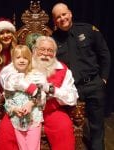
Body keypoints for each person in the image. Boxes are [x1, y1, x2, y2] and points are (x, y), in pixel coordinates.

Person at [0, 35, 78, 150]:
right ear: (34, 50)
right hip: (21, 108)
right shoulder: (24, 61)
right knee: (6, 130)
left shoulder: (63, 70)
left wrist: (51, 89)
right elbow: (3, 77)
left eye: (50, 50)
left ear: (55, 53)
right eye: (42, 49)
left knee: (64, 127)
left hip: (51, 110)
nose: (45, 53)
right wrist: (26, 86)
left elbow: (72, 97)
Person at [51, 3, 111, 150]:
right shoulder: (53, 40)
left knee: (96, 126)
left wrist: (103, 78)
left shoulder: (88, 30)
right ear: (54, 21)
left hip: (93, 85)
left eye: (64, 14)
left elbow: (104, 54)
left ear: (70, 14)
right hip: (71, 88)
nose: (62, 18)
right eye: (58, 17)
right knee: (68, 126)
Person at [0, 44, 46, 150]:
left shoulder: (35, 76)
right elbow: (8, 101)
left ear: (30, 60)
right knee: (22, 147)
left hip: (33, 119)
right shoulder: (10, 80)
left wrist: (31, 103)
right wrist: (14, 109)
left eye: (25, 58)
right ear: (13, 61)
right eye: (18, 58)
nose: (22, 60)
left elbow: (41, 95)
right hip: (17, 121)